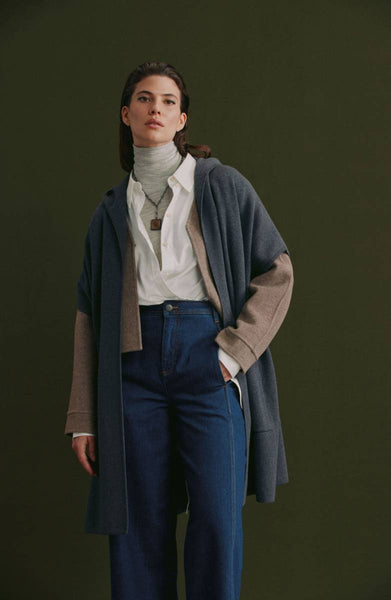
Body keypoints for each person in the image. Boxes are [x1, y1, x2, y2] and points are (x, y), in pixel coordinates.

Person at [64, 61, 294, 600]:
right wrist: (82, 418)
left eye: (169, 101)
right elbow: (88, 315)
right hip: (132, 369)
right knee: (139, 523)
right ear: (126, 114)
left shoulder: (221, 185)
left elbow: (278, 271)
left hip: (206, 358)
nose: (156, 109)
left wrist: (232, 354)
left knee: (216, 517)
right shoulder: (109, 211)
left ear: (182, 118)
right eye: (145, 99)